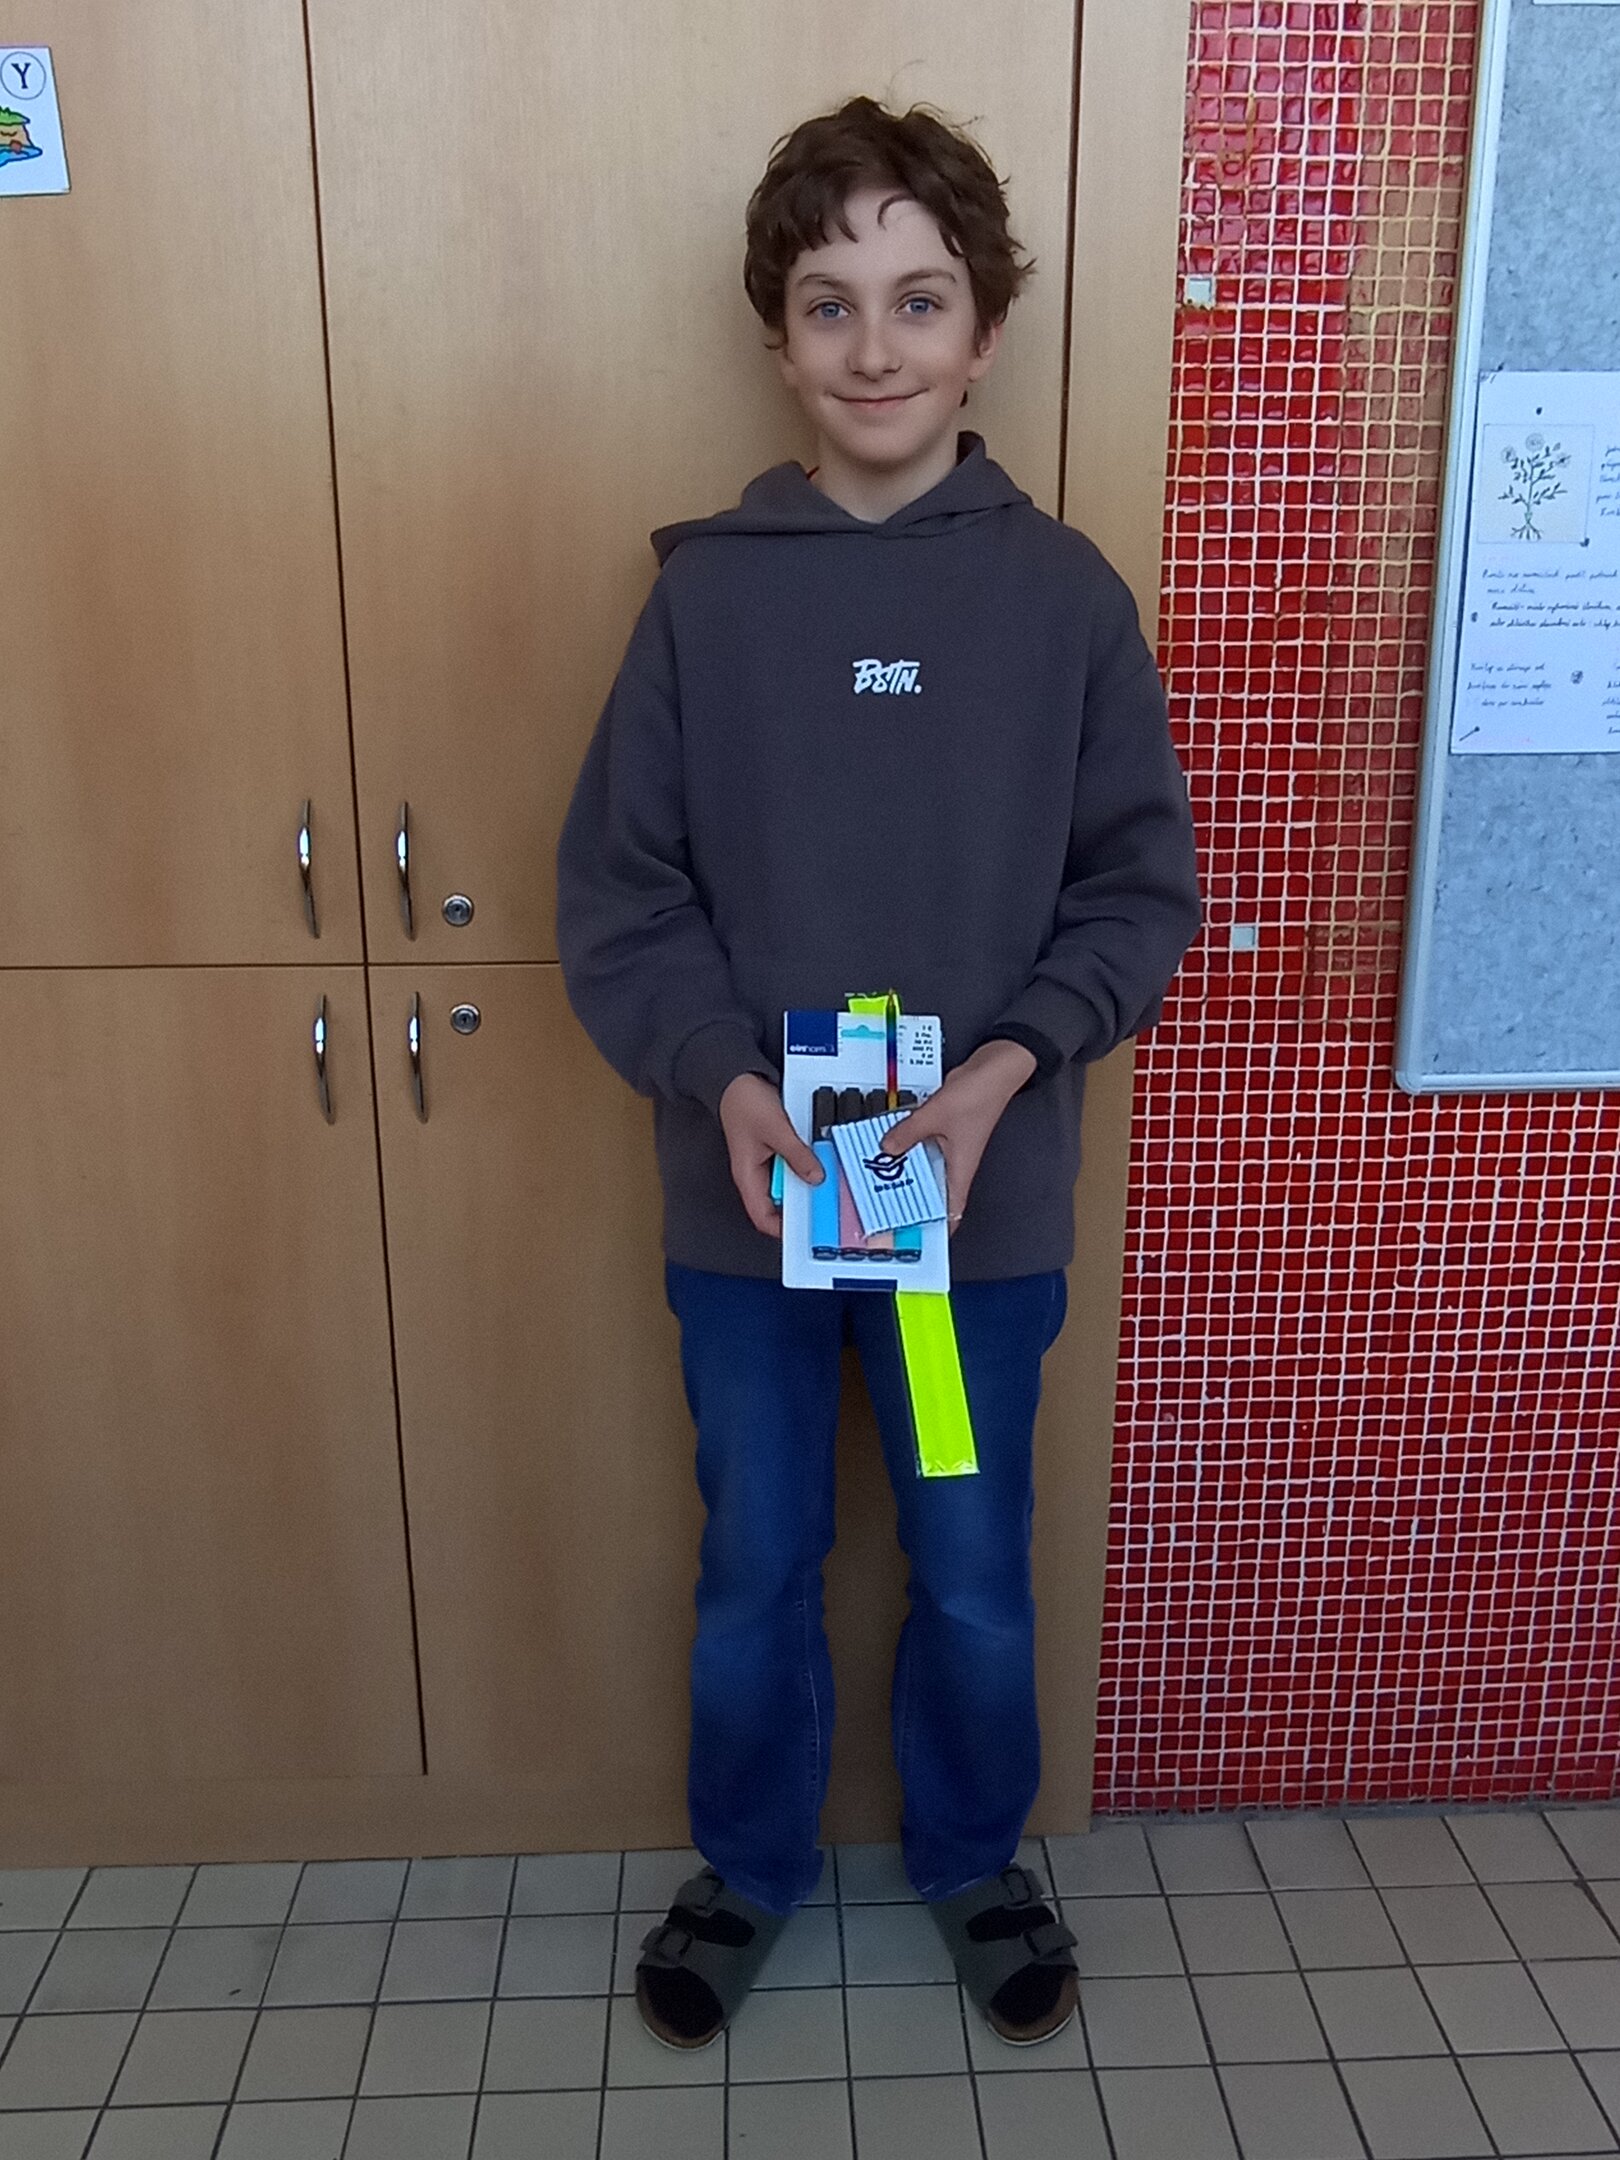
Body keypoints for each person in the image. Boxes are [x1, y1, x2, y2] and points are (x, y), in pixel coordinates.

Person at [556, 92, 1201, 2052]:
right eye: (829, 304)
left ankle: (974, 1859)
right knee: (757, 1557)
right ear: (778, 337)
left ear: (985, 330)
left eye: (919, 300)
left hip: (957, 1221)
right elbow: (624, 897)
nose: (876, 346)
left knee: (966, 1558)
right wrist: (724, 1082)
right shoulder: (708, 599)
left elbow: (1136, 894)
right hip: (754, 1210)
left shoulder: (1062, 599)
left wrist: (1006, 1067)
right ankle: (748, 1868)